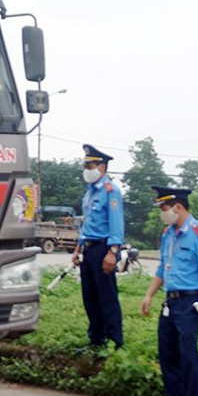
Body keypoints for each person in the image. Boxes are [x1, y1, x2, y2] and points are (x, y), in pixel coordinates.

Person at [139, 186, 198, 396]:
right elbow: (162, 268)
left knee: (188, 354)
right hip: (170, 301)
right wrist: (149, 295)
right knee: (167, 353)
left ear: (178, 207)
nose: (161, 213)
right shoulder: (168, 234)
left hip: (190, 301)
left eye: (164, 207)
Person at [71, 144, 125, 352]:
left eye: (90, 165)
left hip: (104, 249)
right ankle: (96, 339)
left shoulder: (111, 191)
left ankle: (116, 341)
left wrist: (113, 252)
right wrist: (78, 248)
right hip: (88, 248)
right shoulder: (90, 192)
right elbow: (87, 223)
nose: (86, 169)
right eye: (85, 165)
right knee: (90, 296)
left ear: (102, 167)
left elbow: (116, 223)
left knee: (107, 296)